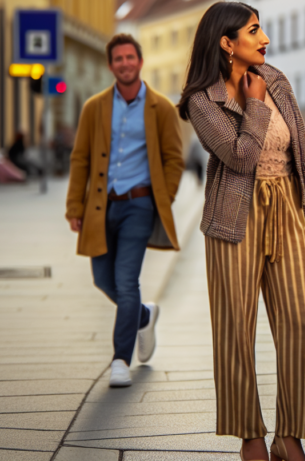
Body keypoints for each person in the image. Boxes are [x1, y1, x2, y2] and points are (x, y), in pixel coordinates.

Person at [178, 2, 305, 461]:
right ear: (227, 43)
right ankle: (251, 438)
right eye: (254, 30)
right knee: (235, 330)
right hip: (232, 215)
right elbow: (240, 156)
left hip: (285, 202)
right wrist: (256, 105)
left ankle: (290, 434)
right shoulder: (201, 100)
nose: (264, 39)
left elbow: (299, 149)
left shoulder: (276, 78)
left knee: (302, 322)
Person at [65, 33, 184, 388]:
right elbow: (80, 158)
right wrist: (75, 205)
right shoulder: (95, 107)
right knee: (103, 279)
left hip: (139, 204)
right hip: (101, 206)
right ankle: (144, 315)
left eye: (130, 57)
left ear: (140, 62)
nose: (125, 64)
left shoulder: (161, 107)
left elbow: (174, 159)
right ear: (110, 65)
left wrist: (164, 198)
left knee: (126, 280)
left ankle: (120, 359)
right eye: (118, 59)